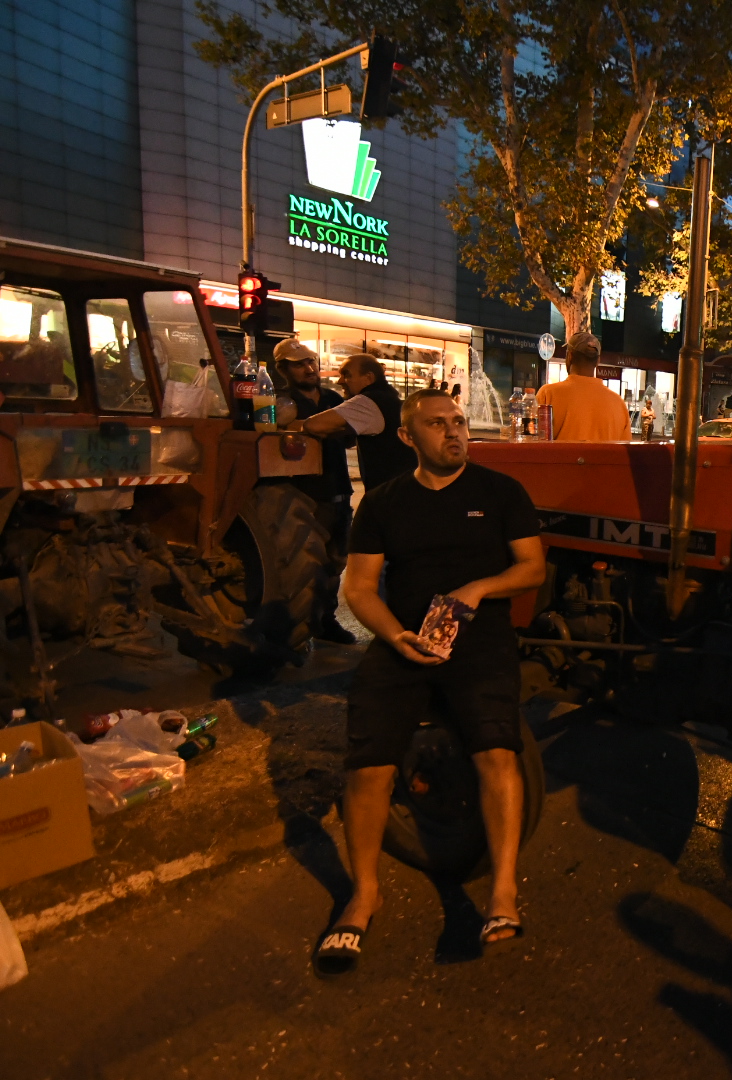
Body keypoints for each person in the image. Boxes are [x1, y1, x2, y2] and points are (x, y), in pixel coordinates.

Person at [314, 388, 547, 976]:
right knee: (368, 765)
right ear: (407, 436)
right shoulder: (386, 502)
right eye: (438, 424)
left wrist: (478, 588)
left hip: (480, 639)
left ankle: (501, 893)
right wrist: (395, 637)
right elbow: (360, 588)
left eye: (459, 422)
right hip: (408, 639)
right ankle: (364, 894)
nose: (454, 433)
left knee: (498, 752)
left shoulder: (499, 493)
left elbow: (532, 568)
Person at [272, 339, 356, 644]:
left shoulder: (333, 397)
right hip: (303, 493)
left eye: (311, 362)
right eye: (299, 364)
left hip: (338, 488)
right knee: (305, 565)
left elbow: (349, 437)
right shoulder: (282, 401)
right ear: (283, 369)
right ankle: (301, 623)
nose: (309, 369)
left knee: (336, 560)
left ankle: (325, 621)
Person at [289, 353, 417, 490]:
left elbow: (313, 425)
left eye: (347, 375)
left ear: (368, 378)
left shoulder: (368, 401)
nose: (340, 381)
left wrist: (287, 424)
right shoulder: (390, 399)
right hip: (404, 490)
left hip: (390, 496)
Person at [533, 333, 630, 441]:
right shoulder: (618, 404)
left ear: (569, 356)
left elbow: (532, 443)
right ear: (597, 361)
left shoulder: (547, 394)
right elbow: (625, 450)